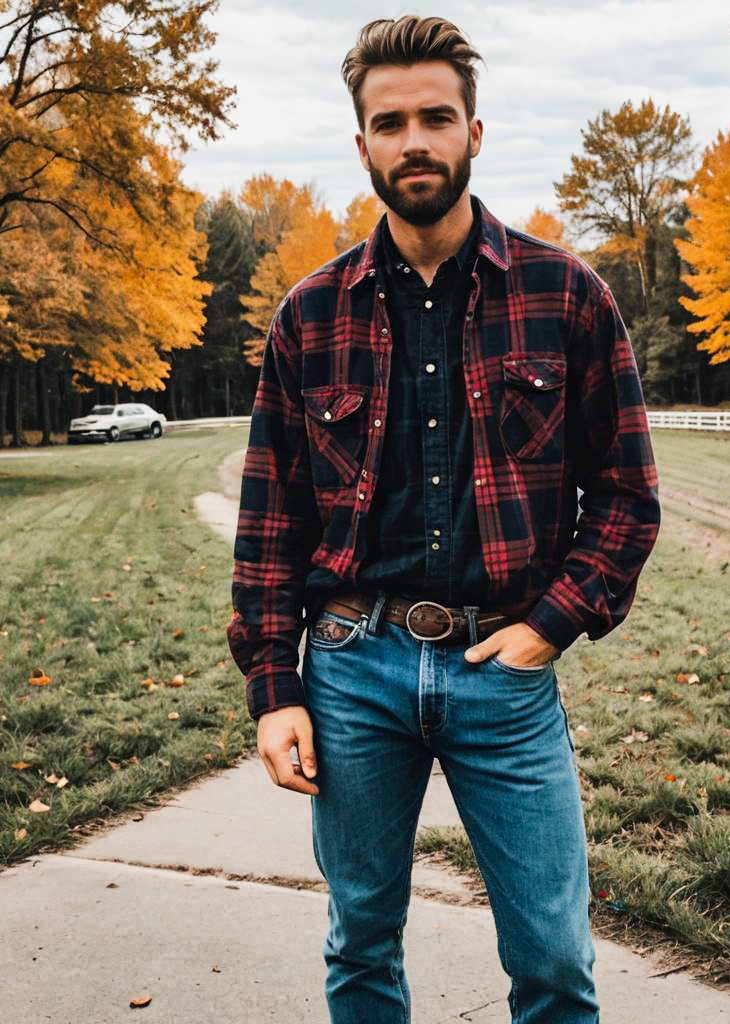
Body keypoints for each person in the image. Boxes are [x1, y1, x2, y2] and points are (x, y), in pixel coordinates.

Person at [227, 14, 661, 1023]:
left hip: (499, 678)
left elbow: (629, 495)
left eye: (435, 116)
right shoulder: (309, 314)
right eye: (390, 122)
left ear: (473, 131)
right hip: (350, 670)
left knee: (553, 960)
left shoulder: (568, 296)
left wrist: (548, 625)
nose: (413, 139)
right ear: (362, 143)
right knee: (360, 942)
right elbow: (271, 522)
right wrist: (272, 687)